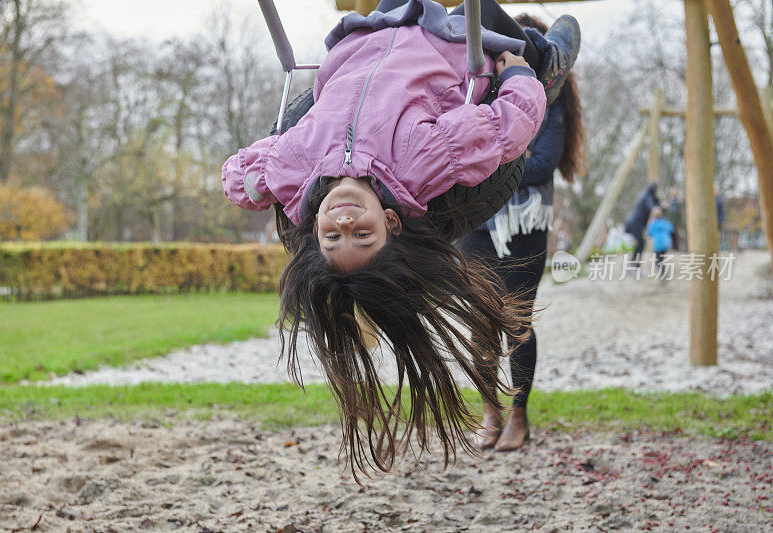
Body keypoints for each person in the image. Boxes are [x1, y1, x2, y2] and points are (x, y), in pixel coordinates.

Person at [221, 0, 580, 478]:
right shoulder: (420, 163)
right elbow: (503, 130)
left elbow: (237, 174)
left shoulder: (294, 172)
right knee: (505, 35)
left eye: (333, 235)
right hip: (445, 42)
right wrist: (519, 79)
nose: (344, 222)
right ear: (391, 222)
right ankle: (547, 62)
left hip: (369, 34)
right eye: (362, 234)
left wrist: (258, 186)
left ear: (316, 228)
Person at [457, 13, 585, 452]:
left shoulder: (551, 91)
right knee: (479, 322)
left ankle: (519, 414)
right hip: (474, 220)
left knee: (516, 321)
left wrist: (488, 156)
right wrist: (507, 149)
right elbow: (460, 147)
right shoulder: (475, 81)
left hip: (524, 223)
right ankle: (490, 410)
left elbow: (543, 161)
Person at [624, 182, 660, 268]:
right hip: (635, 223)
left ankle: (633, 263)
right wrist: (658, 209)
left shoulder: (645, 195)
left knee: (640, 242)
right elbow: (652, 207)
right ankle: (635, 265)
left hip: (633, 222)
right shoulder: (647, 196)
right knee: (641, 242)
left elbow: (654, 204)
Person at [646, 206, 674, 279]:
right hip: (666, 243)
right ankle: (664, 272)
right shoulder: (665, 222)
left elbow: (649, 233)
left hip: (658, 245)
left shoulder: (653, 224)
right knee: (661, 258)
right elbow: (671, 229)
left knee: (658, 261)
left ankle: (663, 273)